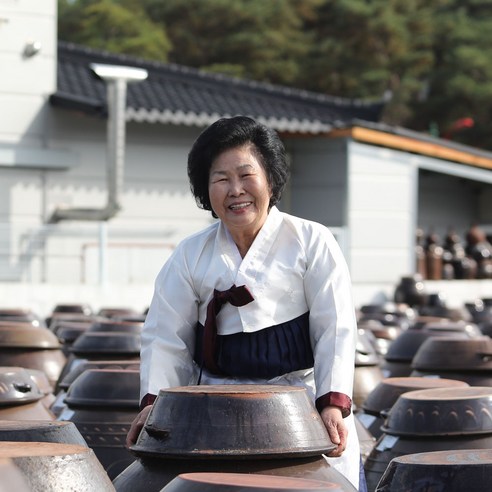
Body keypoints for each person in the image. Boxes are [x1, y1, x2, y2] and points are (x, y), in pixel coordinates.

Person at [126, 116, 365, 491]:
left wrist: (332, 403)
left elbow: (334, 327)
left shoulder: (311, 240)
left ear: (270, 178)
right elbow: (165, 337)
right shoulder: (190, 254)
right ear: (206, 190)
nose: (235, 190)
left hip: (299, 407)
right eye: (221, 179)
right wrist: (154, 405)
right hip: (212, 409)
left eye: (246, 175)